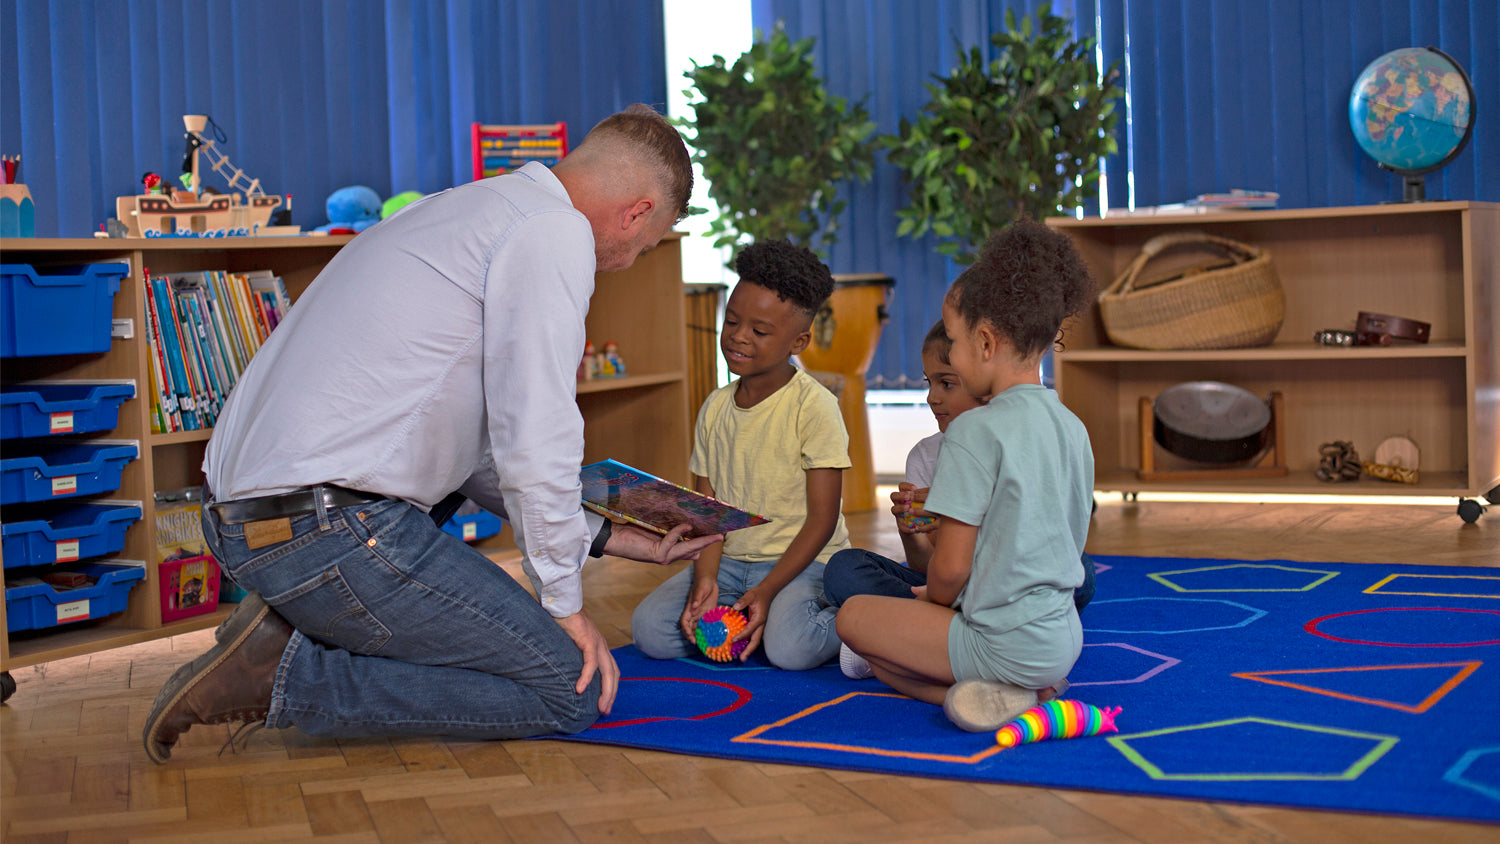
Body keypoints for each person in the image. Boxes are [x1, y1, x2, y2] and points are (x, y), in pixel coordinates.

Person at [142, 104, 725, 764]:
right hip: (327, 533)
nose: (628, 262)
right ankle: (289, 678)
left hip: (248, 524)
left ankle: (292, 636)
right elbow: (537, 432)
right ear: (637, 212)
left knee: (518, 638)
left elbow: (474, 448)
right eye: (645, 248)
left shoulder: (471, 208)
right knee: (570, 691)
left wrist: (606, 537)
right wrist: (563, 604)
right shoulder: (552, 232)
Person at [834, 219, 1096, 732]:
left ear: (983, 341)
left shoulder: (976, 431)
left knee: (852, 621)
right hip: (1064, 641)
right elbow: (1070, 541)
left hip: (1000, 643)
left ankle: (1000, 694)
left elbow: (950, 570)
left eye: (951, 343)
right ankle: (1025, 687)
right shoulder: (1072, 425)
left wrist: (931, 598)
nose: (949, 355)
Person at [826, 321, 1098, 679]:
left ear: (983, 382)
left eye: (947, 383)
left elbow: (1017, 547)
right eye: (929, 383)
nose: (932, 397)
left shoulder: (991, 436)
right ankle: (936, 630)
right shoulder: (925, 455)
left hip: (986, 592)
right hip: (976, 600)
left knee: (1083, 571)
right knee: (845, 568)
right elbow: (932, 565)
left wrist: (956, 518)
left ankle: (914, 638)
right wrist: (913, 531)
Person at [630, 240, 850, 670]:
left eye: (760, 331)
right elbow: (707, 514)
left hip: (803, 562)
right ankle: (752, 618)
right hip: (730, 564)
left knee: (791, 650)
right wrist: (706, 581)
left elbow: (823, 521)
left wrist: (767, 591)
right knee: (650, 630)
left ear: (799, 341)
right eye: (731, 321)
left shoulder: (814, 406)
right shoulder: (715, 407)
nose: (738, 336)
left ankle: (859, 615)